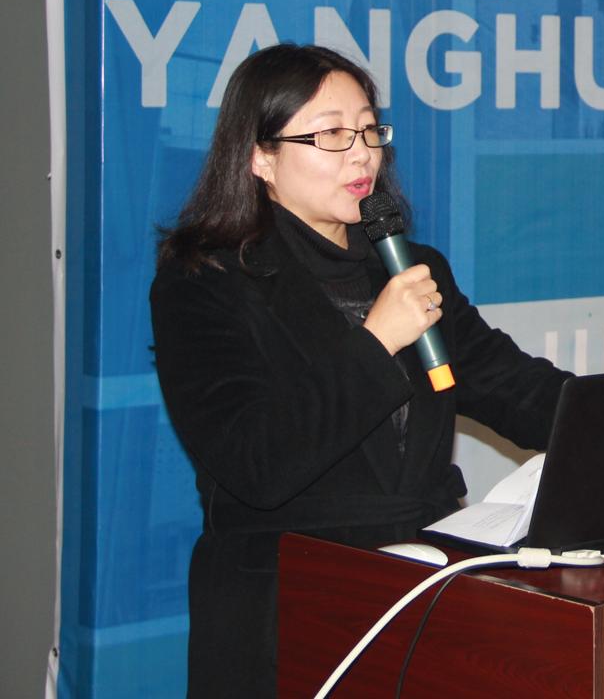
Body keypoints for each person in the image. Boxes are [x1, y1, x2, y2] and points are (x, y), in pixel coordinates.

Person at [151, 45, 571, 697]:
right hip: (285, 608)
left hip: (423, 586)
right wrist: (377, 342)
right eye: (331, 134)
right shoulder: (205, 281)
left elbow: (512, 385)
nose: (362, 154)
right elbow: (256, 461)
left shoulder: (410, 266)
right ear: (261, 157)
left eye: (370, 130)